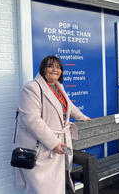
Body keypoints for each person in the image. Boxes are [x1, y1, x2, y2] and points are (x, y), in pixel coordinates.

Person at [14, 55, 91, 194]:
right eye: (50, 66)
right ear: (43, 69)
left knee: (59, 183)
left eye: (58, 67)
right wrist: (54, 143)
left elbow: (69, 107)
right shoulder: (31, 88)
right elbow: (32, 120)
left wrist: (83, 117)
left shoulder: (58, 87)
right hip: (41, 147)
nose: (55, 69)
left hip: (60, 144)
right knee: (41, 188)